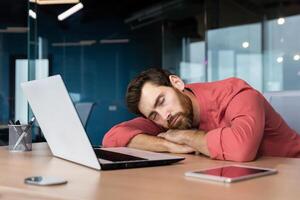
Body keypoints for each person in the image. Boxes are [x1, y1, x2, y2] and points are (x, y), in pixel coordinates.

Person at [102, 68, 300, 162]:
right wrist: (168, 145)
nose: (164, 116)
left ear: (177, 83)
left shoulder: (235, 93)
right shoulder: (168, 118)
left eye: (161, 101)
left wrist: (184, 136)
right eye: (153, 115)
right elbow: (112, 137)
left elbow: (241, 149)